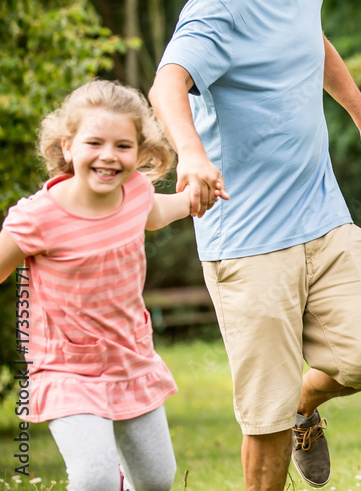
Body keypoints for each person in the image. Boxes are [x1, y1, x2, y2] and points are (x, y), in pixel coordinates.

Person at [147, 0, 361, 491]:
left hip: (322, 216)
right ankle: (284, 414)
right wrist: (193, 155)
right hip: (248, 238)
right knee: (261, 417)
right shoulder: (220, 3)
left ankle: (302, 408)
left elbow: (312, 45)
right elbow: (168, 83)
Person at [0, 80, 214, 491]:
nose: (108, 157)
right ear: (68, 147)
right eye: (94, 142)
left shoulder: (134, 192)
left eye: (122, 146)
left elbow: (155, 212)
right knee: (94, 479)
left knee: (155, 479)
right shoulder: (38, 217)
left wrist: (193, 200)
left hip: (130, 357)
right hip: (66, 367)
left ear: (140, 152)